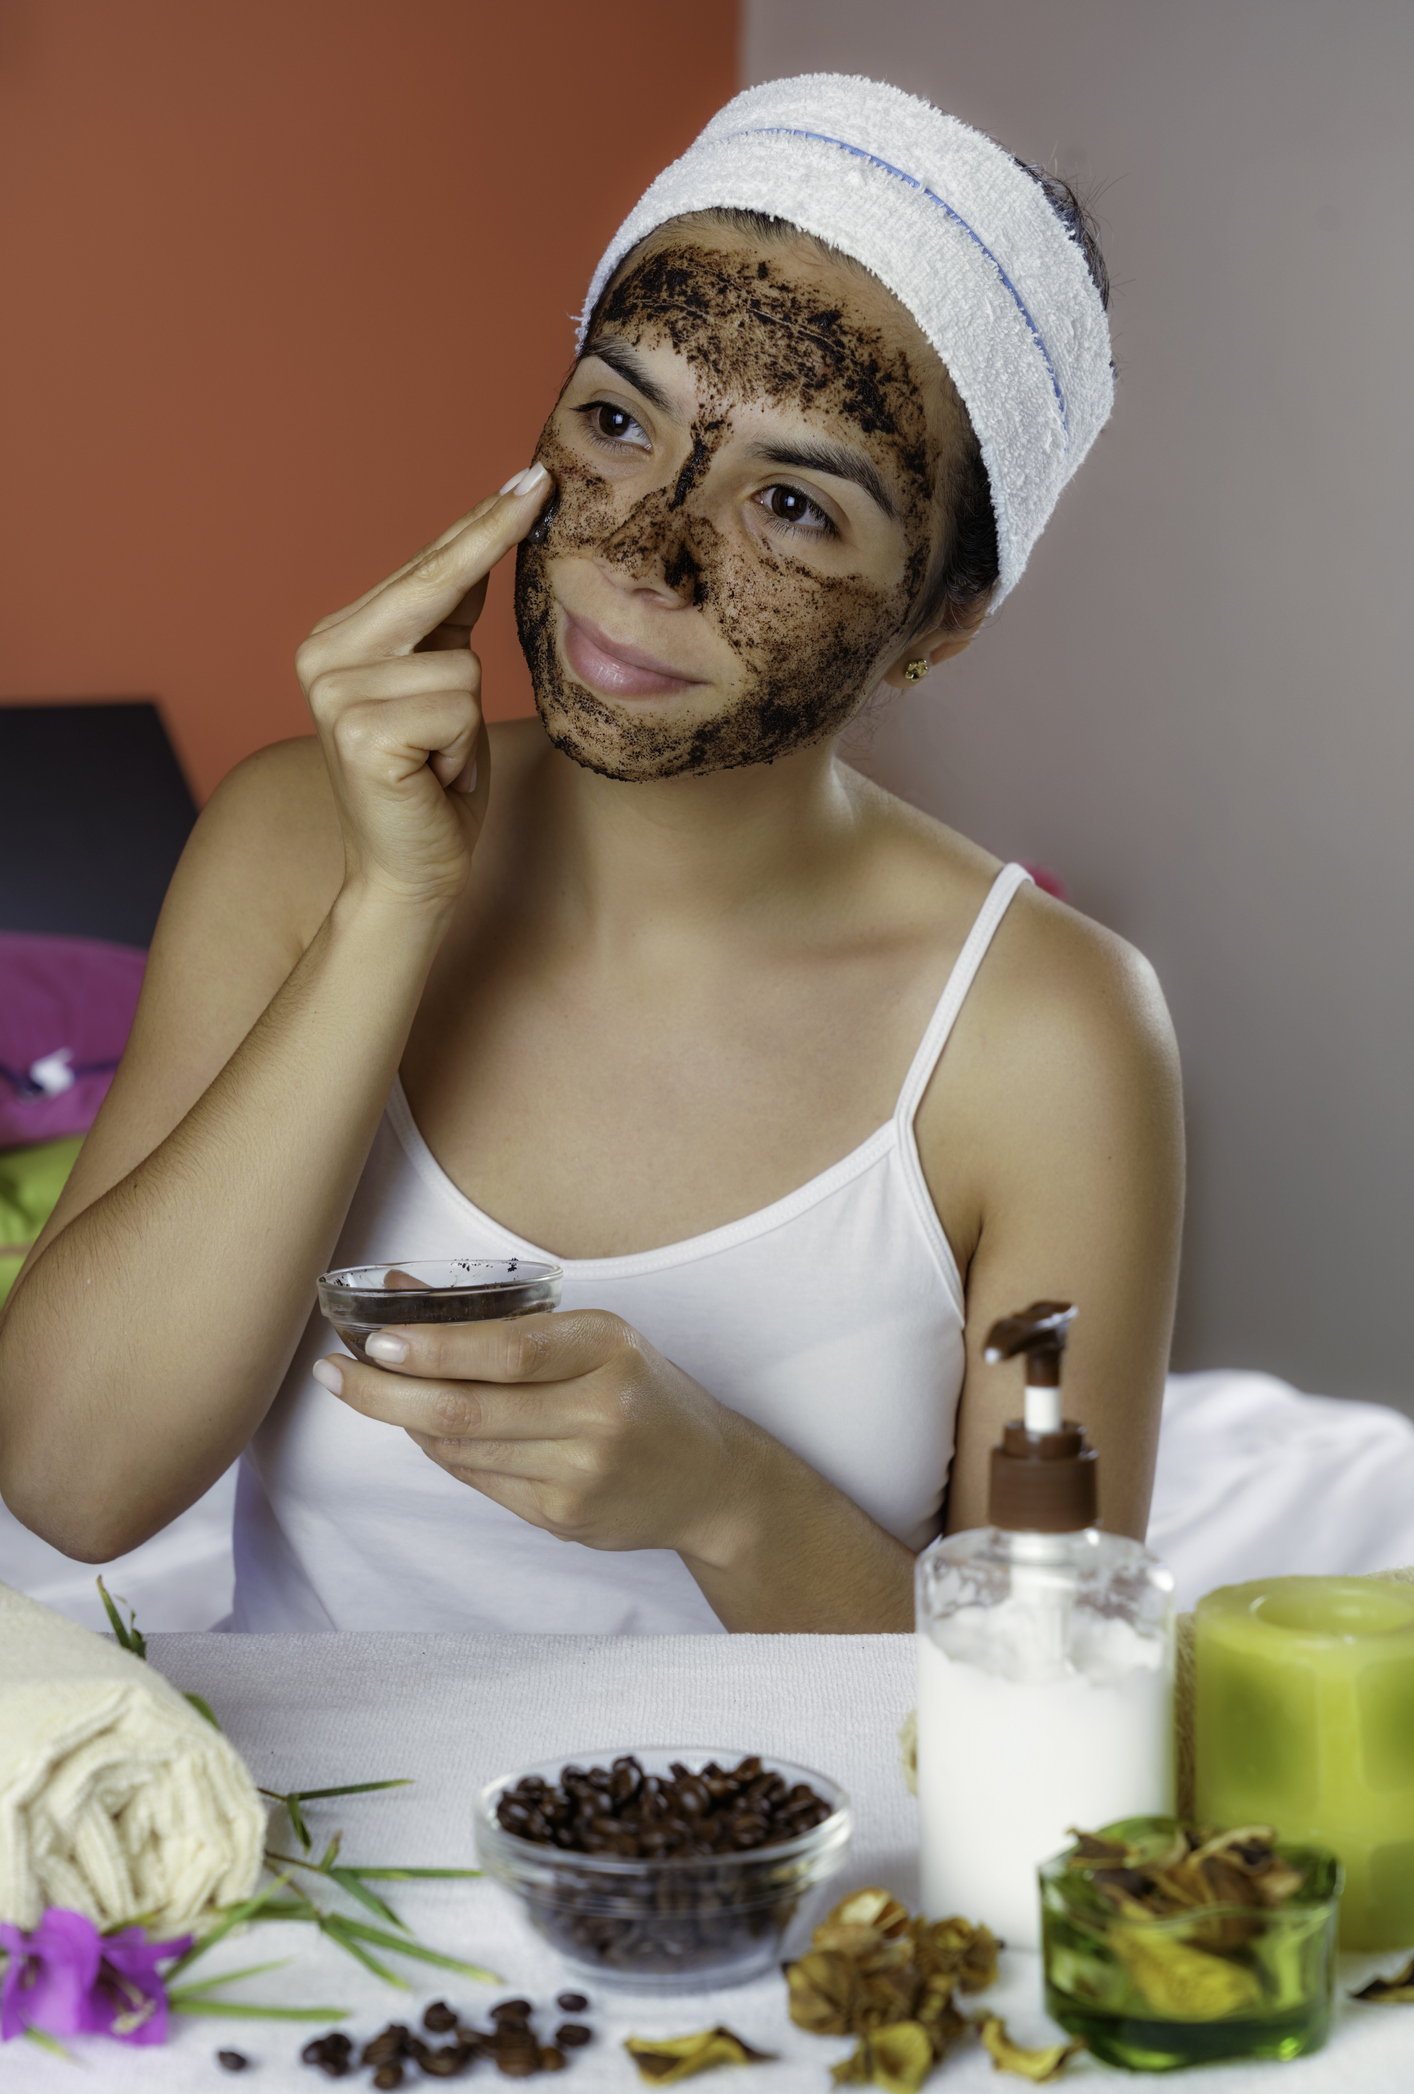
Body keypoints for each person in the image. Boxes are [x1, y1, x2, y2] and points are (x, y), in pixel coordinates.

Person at [0, 76, 1182, 1634]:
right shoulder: (297, 842)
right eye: (617, 422)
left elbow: (1052, 1700)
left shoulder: (1050, 1033)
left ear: (938, 620)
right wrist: (392, 903)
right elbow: (73, 1480)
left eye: (794, 505)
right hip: (317, 1872)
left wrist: (721, 1496)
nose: (644, 552)